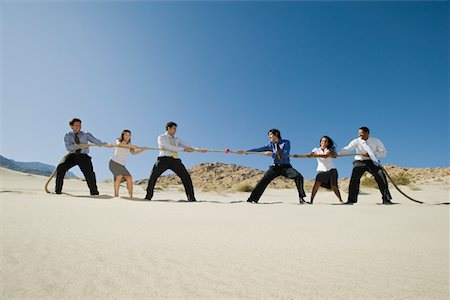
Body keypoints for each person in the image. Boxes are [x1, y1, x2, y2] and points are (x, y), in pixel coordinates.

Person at [238, 129, 306, 204]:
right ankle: (252, 199)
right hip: (275, 167)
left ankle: (302, 198)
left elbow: (285, 154)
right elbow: (260, 149)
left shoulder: (286, 142)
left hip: (286, 167)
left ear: (276, 134)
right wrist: (246, 152)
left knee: (298, 176)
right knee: (263, 181)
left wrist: (272, 154)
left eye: (270, 134)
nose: (269, 136)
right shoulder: (271, 144)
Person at [145, 122, 206, 202]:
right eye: (174, 128)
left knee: (186, 177)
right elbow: (167, 146)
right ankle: (148, 197)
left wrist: (198, 150)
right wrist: (183, 149)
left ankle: (191, 198)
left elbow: (187, 145)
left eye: (176, 129)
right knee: (153, 177)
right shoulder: (161, 137)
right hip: (163, 159)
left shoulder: (177, 139)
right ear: (168, 128)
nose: (175, 131)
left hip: (175, 160)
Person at [55, 118, 112, 195]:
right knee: (61, 167)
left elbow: (96, 141)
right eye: (76, 125)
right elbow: (69, 147)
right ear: (71, 126)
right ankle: (57, 191)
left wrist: (105, 144)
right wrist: (81, 146)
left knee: (89, 174)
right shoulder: (67, 135)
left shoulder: (86, 134)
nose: (79, 127)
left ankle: (94, 193)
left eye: (80, 125)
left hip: (83, 156)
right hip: (71, 155)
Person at [338, 126, 393, 205]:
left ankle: (386, 199)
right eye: (359, 133)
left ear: (367, 133)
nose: (359, 134)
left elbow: (383, 152)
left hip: (372, 161)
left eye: (361, 133)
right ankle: (351, 200)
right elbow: (347, 149)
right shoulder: (356, 141)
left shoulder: (376, 141)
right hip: (359, 162)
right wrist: (338, 154)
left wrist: (372, 154)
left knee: (380, 175)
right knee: (354, 179)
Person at [306, 136, 343, 204]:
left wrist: (315, 156)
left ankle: (340, 200)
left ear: (328, 143)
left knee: (334, 186)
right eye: (322, 141)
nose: (324, 142)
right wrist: (309, 155)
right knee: (316, 185)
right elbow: (311, 153)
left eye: (326, 141)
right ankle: (311, 201)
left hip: (332, 170)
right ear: (320, 142)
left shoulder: (330, 149)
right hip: (321, 170)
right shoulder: (316, 150)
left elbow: (326, 156)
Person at [109, 130, 146, 198]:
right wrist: (132, 146)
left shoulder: (129, 146)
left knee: (129, 177)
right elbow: (118, 144)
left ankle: (130, 195)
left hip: (122, 165)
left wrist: (142, 150)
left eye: (129, 135)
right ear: (123, 135)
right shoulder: (118, 140)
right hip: (114, 162)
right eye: (126, 135)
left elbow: (133, 153)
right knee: (119, 176)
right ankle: (116, 195)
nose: (127, 136)